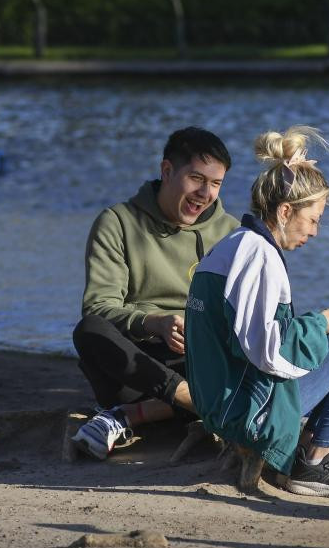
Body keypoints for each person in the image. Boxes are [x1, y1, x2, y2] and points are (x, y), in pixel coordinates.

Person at [186, 125, 329, 499]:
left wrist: (327, 321)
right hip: (244, 410)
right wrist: (320, 323)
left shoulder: (233, 245)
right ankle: (318, 460)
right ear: (284, 211)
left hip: (222, 400)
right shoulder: (261, 256)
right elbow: (269, 351)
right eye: (313, 219)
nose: (315, 231)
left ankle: (304, 446)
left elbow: (252, 336)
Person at [69, 127, 239, 460]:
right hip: (137, 365)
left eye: (216, 184)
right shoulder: (116, 222)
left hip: (200, 360)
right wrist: (153, 323)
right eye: (196, 179)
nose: (205, 193)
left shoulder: (232, 233)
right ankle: (193, 401)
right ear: (166, 171)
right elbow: (99, 307)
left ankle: (133, 415)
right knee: (89, 331)